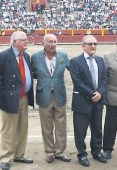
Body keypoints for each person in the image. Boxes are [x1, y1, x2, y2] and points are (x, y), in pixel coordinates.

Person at [0, 31, 34, 170]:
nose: (27, 42)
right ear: (15, 42)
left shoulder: (26, 56)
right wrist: (3, 95)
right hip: (9, 99)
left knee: (22, 128)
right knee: (9, 129)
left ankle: (19, 154)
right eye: (24, 40)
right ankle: (6, 157)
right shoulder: (3, 56)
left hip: (24, 97)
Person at [31, 34, 71, 163]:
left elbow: (73, 70)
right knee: (46, 126)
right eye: (49, 42)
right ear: (44, 43)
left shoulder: (63, 56)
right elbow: (33, 73)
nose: (52, 44)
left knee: (61, 124)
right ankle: (49, 152)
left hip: (59, 94)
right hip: (44, 95)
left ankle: (60, 151)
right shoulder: (36, 57)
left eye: (54, 41)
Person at [69, 35, 108, 167]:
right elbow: (78, 82)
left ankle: (96, 152)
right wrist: (93, 94)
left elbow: (104, 80)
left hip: (97, 101)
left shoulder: (100, 60)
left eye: (95, 44)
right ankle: (82, 154)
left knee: (97, 129)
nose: (93, 46)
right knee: (80, 131)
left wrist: (100, 93)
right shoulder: (75, 61)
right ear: (83, 46)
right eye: (90, 44)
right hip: (82, 101)